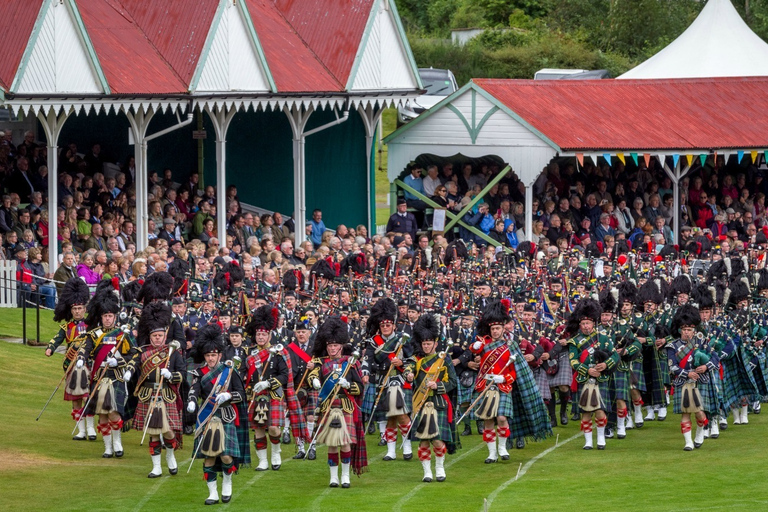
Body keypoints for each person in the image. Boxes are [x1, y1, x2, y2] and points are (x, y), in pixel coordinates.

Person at [187, 324, 249, 505]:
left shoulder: (229, 371)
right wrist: (191, 401)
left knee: (226, 455)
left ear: (220, 355)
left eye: (213, 355)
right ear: (204, 356)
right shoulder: (199, 373)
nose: (211, 358)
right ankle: (212, 494)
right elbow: (194, 390)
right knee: (209, 456)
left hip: (226, 415)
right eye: (208, 355)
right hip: (207, 418)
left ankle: (227, 483)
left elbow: (242, 394)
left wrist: (228, 395)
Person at [124, 302, 186, 477]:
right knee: (152, 433)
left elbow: (182, 373)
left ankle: (171, 456)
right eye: (155, 336)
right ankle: (156, 467)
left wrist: (170, 376)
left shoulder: (172, 353)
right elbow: (133, 363)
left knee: (168, 431)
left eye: (160, 335)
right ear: (150, 337)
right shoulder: (142, 352)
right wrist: (128, 372)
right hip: (148, 394)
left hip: (166, 394)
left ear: (165, 336)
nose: (158, 338)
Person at [76, 282, 136, 458]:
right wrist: (80, 359)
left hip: (115, 376)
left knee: (113, 412)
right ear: (101, 317)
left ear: (115, 316)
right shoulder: (94, 334)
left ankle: (117, 443)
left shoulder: (123, 334)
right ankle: (108, 447)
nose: (108, 319)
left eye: (110, 315)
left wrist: (120, 362)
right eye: (105, 316)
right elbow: (85, 349)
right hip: (98, 377)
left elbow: (135, 353)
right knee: (102, 414)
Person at [308, 316, 367, 488]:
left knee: (345, 443)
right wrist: (314, 381)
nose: (332, 348)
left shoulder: (350, 363)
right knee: (332, 444)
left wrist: (349, 385)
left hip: (345, 407)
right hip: (328, 406)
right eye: (330, 345)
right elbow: (312, 375)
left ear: (341, 346)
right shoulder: (321, 362)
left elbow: (360, 387)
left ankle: (346, 476)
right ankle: (333, 477)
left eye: (335, 345)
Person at [405, 315, 457, 483]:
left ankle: (440, 467)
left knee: (438, 440)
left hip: (438, 403)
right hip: (421, 403)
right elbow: (408, 370)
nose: (426, 346)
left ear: (435, 343)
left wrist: (438, 386)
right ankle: (427, 472)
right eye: (424, 343)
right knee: (423, 441)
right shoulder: (416, 360)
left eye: (429, 343)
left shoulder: (444, 359)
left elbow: (453, 382)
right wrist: (409, 375)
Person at [361, 297, 414, 461]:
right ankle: (391, 451)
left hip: (399, 380)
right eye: (382, 325)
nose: (385, 327)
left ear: (394, 325)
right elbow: (367, 359)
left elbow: (412, 359)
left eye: (388, 325)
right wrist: (365, 373)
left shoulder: (401, 339)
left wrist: (401, 362)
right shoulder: (373, 342)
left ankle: (407, 446)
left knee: (403, 415)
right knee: (389, 417)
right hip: (382, 381)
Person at [566, 298, 619, 450]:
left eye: (588, 323)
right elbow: (573, 361)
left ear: (593, 323)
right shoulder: (575, 341)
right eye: (582, 324)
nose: (585, 326)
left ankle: (601, 438)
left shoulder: (603, 338)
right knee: (586, 411)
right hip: (584, 379)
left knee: (600, 411)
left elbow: (615, 356)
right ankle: (588, 441)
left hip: (601, 379)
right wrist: (587, 370)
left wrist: (604, 365)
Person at [469, 300, 517, 463]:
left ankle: (502, 448)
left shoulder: (510, 345)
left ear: (503, 328)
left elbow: (515, 372)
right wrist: (475, 345)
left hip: (502, 385)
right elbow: (474, 349)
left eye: (498, 328)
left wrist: (504, 378)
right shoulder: (484, 343)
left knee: (502, 418)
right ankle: (491, 453)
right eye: (493, 328)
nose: (495, 331)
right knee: (488, 419)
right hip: (485, 385)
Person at [45, 277, 94, 440]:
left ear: (85, 309)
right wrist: (50, 348)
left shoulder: (91, 326)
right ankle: (81, 430)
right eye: (75, 309)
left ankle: (91, 428)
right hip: (71, 365)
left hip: (88, 364)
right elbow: (56, 339)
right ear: (71, 310)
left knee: (88, 396)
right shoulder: (66, 327)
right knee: (76, 398)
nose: (77, 311)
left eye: (80, 308)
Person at [244, 305, 290, 471]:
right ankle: (262, 461)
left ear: (270, 334)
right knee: (258, 428)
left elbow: (284, 375)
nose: (260, 337)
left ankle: (276, 452)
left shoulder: (277, 352)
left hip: (273, 394)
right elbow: (244, 375)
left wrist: (268, 383)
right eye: (258, 334)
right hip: (256, 395)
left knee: (273, 427)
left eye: (264, 334)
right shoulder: (249, 354)